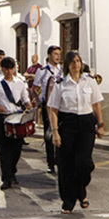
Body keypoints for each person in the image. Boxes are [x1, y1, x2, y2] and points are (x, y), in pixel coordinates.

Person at [48, 51, 104, 212]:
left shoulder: (90, 81)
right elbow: (53, 110)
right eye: (72, 62)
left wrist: (100, 124)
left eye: (78, 61)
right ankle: (68, 201)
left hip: (86, 124)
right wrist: (55, 132)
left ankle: (81, 190)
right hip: (67, 124)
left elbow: (96, 105)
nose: (76, 64)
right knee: (66, 165)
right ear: (67, 65)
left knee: (85, 163)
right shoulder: (60, 83)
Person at [0, 57, 31, 190]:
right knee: (4, 150)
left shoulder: (20, 83)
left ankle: (12, 171)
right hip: (1, 119)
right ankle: (6, 178)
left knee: (16, 149)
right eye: (6, 69)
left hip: (16, 118)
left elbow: (25, 99)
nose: (9, 72)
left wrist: (28, 105)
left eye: (11, 69)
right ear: (2, 70)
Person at [34, 46, 62, 174]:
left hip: (61, 106)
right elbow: (34, 89)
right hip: (48, 106)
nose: (58, 56)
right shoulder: (42, 71)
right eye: (55, 54)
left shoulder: (62, 70)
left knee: (61, 133)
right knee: (49, 134)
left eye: (59, 54)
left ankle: (60, 159)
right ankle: (51, 162)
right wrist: (39, 102)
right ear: (49, 55)